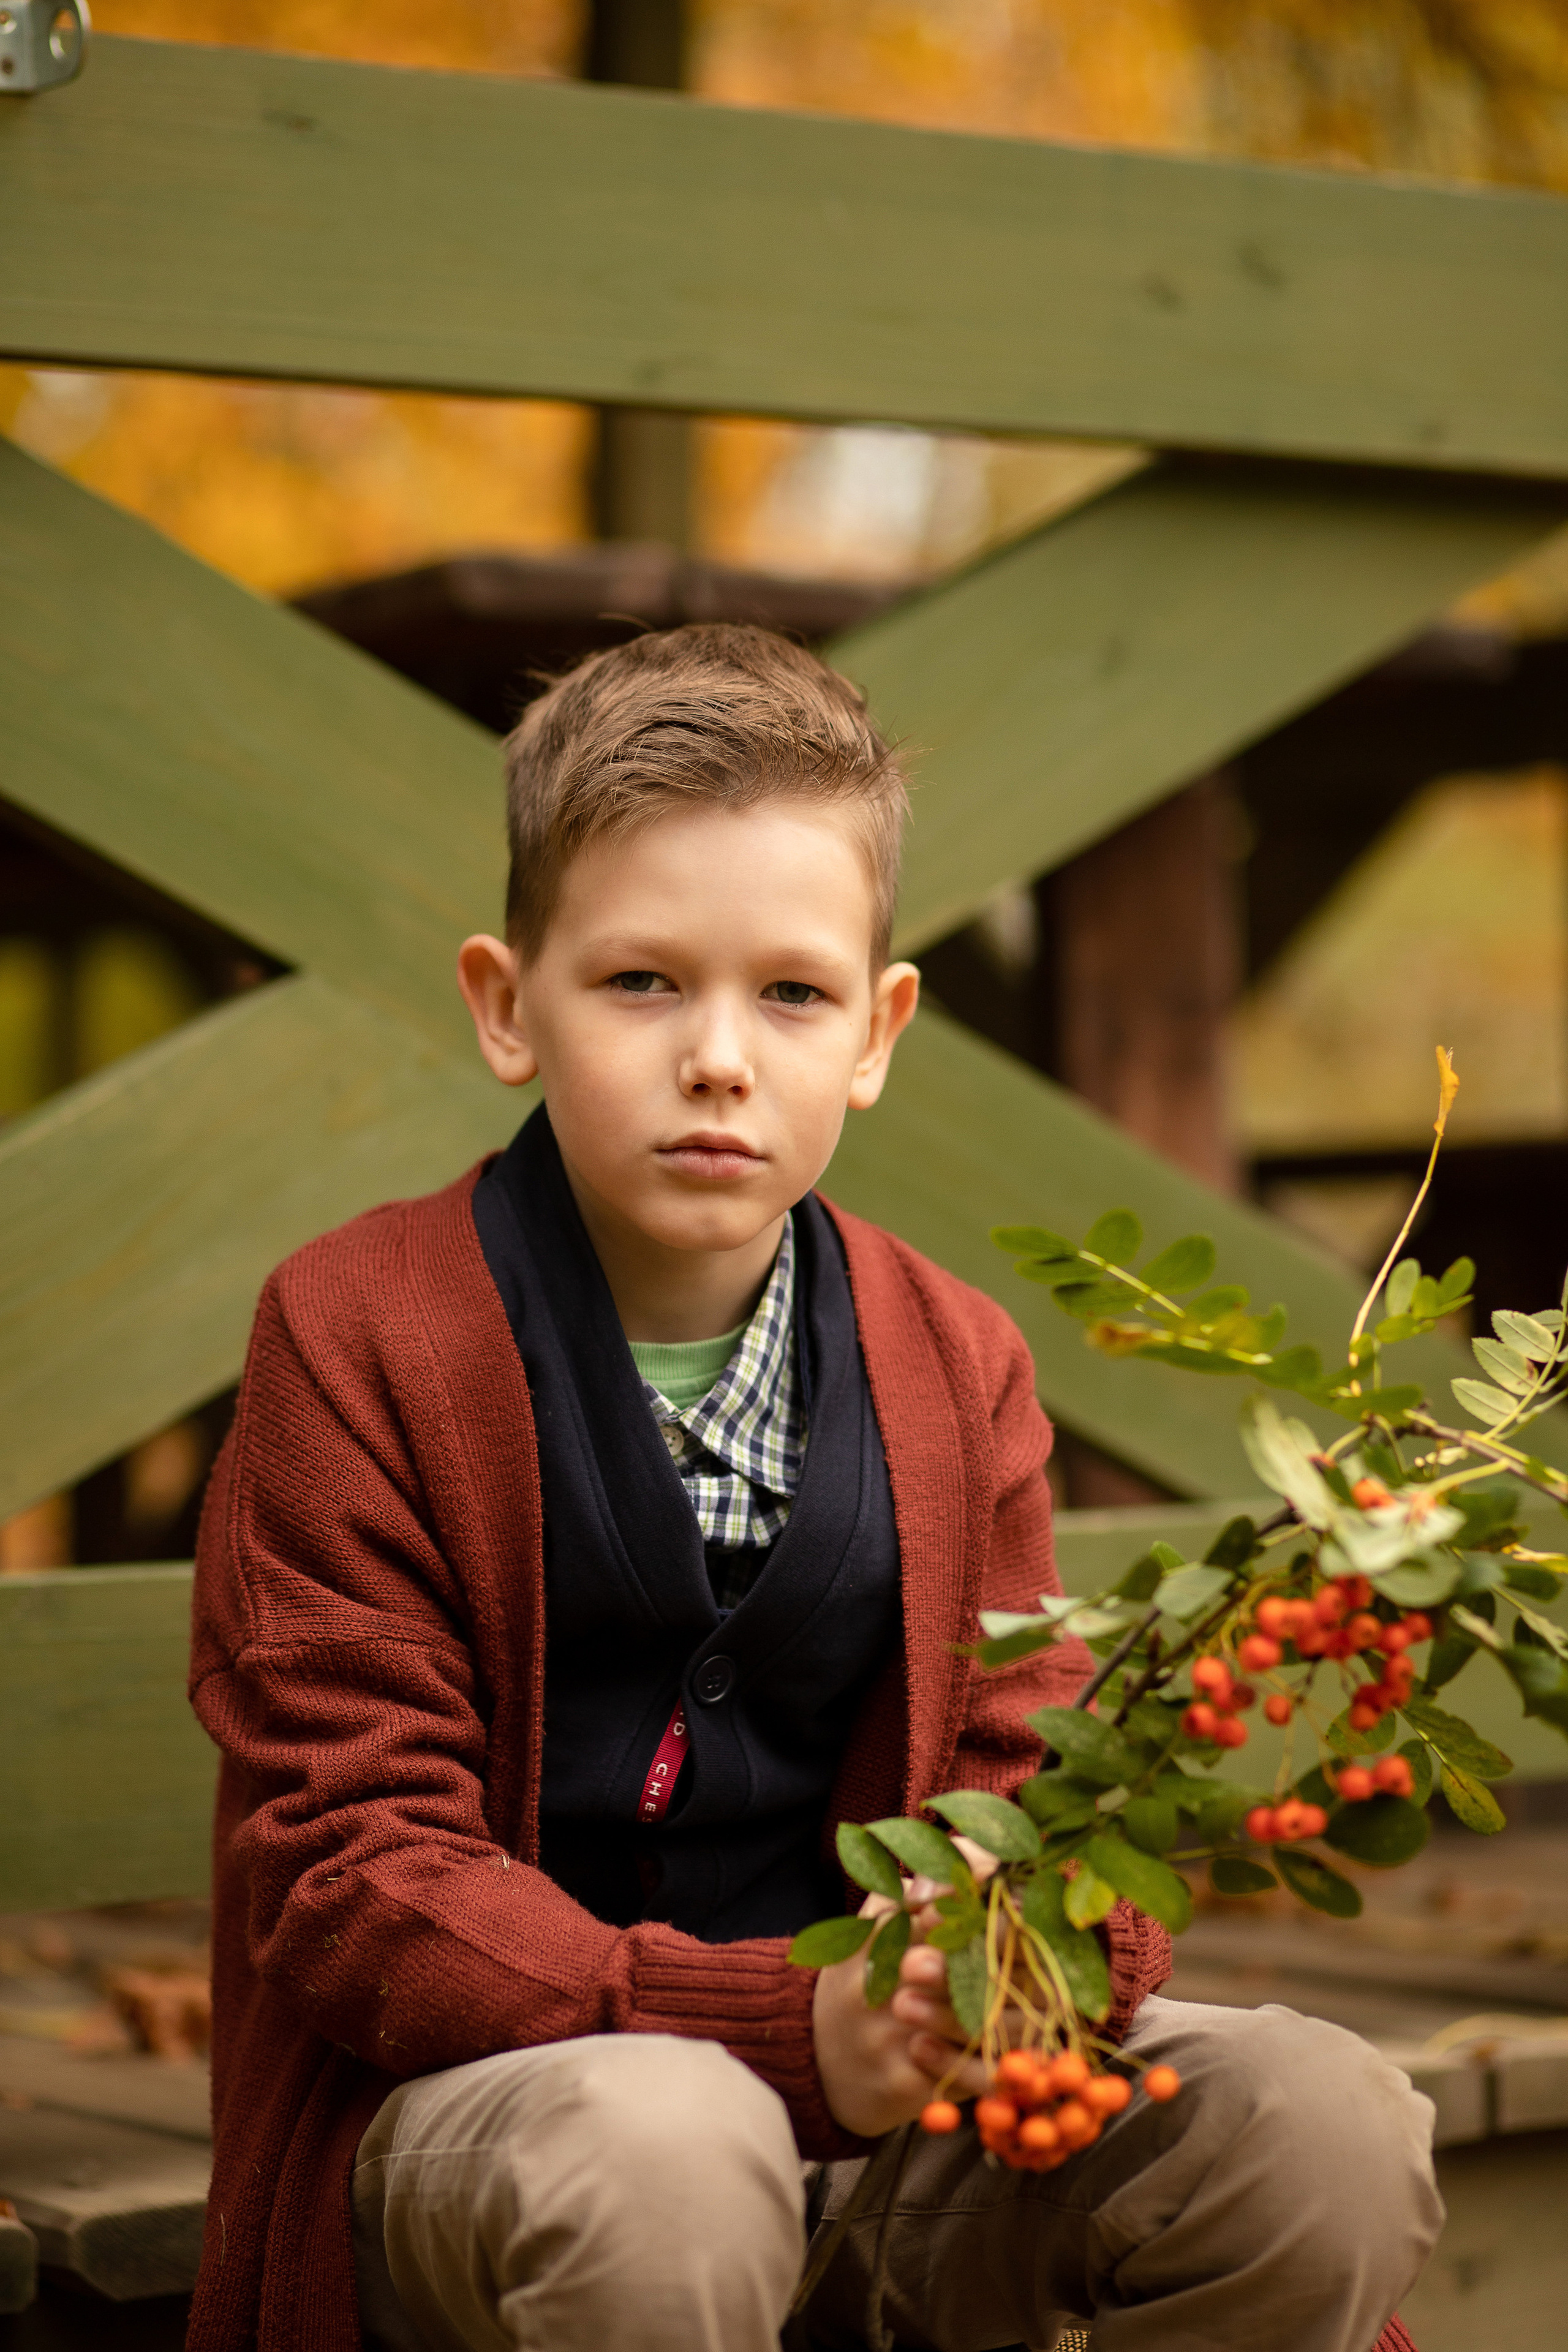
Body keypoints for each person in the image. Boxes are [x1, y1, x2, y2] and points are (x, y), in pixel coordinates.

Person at [187, 626, 1441, 2352]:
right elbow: (350, 1869)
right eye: (641, 984)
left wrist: (1017, 1956)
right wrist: (767, 2023)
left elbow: (1037, 1759)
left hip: (893, 2129)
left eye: (791, 993)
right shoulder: (357, 1336)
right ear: (505, 1004)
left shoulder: (957, 1361)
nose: (719, 1055)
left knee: (1316, 2121)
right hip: (498, 2140)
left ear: (876, 1029)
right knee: (670, 2138)